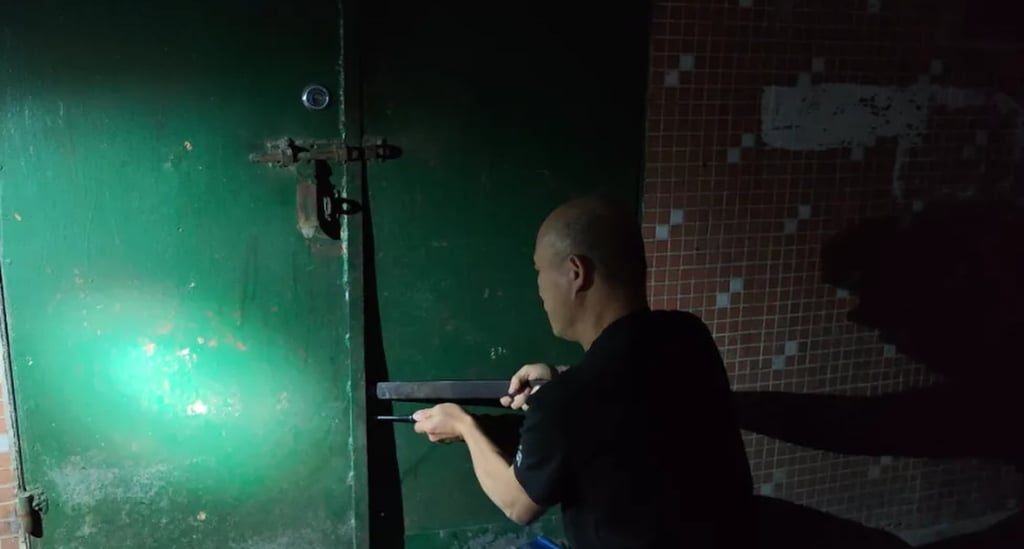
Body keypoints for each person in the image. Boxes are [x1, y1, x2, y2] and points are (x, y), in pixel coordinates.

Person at [411, 196, 754, 548]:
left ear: (576, 273)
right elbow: (625, 396)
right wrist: (559, 375)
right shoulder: (686, 333)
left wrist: (464, 426)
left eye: (539, 271)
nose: (540, 290)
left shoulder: (571, 398)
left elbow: (517, 503)